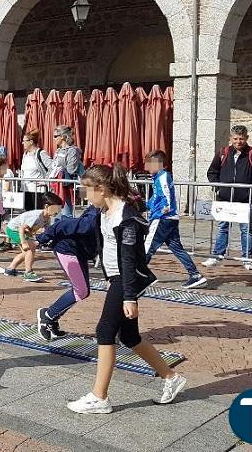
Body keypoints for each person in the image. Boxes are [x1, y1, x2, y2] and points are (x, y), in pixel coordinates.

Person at [66, 164, 187, 414]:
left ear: (101, 188)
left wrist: (129, 296)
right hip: (116, 278)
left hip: (125, 279)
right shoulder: (104, 210)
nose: (85, 196)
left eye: (87, 190)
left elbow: (130, 260)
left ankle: (100, 397)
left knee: (105, 330)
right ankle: (170, 377)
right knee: (130, 336)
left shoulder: (126, 217)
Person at [203, 125, 252, 270]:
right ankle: (217, 256)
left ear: (247, 138)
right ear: (230, 138)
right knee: (222, 228)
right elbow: (212, 172)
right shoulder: (223, 152)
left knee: (246, 230)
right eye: (236, 138)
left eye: (242, 138)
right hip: (225, 199)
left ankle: (247, 259)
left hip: (246, 200)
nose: (239, 141)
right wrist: (219, 188)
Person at [35, 205, 102, 341]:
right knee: (81, 291)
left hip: (80, 252)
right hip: (67, 249)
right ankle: (48, 316)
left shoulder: (110, 213)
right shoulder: (94, 216)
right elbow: (64, 224)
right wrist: (43, 237)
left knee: (83, 291)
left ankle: (51, 317)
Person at [144, 150, 206, 288]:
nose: (147, 167)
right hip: (169, 217)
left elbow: (165, 195)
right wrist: (145, 205)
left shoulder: (163, 176)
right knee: (176, 248)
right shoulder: (158, 178)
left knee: (147, 247)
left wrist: (164, 209)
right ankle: (195, 274)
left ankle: (139, 275)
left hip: (163, 218)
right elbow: (157, 197)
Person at [4, 192, 64, 283]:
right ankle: (28, 272)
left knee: (27, 252)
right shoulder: (36, 216)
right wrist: (24, 242)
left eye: (59, 209)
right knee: (30, 249)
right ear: (46, 206)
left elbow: (47, 231)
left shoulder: (47, 218)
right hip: (14, 229)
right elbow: (21, 228)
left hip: (23, 232)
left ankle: (10, 268)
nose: (57, 212)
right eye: (56, 209)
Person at [48, 126, 84, 218]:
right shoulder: (58, 151)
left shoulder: (73, 151)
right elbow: (52, 167)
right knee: (56, 214)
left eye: (55, 136)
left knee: (66, 214)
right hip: (56, 186)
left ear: (63, 137)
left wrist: (60, 169)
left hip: (67, 187)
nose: (53, 138)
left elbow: (71, 169)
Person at [19, 129, 53, 211]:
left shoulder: (41, 153)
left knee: (38, 216)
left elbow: (53, 168)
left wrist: (45, 181)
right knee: (28, 215)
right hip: (26, 190)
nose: (22, 143)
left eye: (24, 141)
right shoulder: (25, 154)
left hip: (38, 191)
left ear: (31, 142)